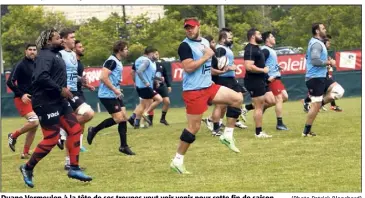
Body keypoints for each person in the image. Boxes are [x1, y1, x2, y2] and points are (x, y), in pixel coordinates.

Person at [19, 29, 92, 188]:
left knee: (74, 130)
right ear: (48, 41)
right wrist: (60, 89)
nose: (61, 41)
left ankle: (74, 168)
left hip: (59, 100)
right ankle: (27, 167)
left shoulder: (56, 55)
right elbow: (41, 77)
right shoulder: (45, 56)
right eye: (58, 38)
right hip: (45, 103)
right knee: (51, 139)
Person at [170, 18, 243, 174]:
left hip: (208, 86)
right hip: (194, 91)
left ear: (198, 27)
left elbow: (208, 68)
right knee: (193, 127)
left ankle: (227, 136)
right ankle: (177, 160)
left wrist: (224, 69)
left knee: (237, 98)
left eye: (192, 27)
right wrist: (206, 56)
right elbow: (189, 68)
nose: (189, 30)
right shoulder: (184, 46)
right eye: (187, 28)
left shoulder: (204, 42)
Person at [87, 40, 135, 155]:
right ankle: (94, 129)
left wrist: (117, 88)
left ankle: (124, 146)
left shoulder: (118, 61)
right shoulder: (111, 61)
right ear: (119, 50)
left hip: (114, 94)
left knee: (123, 117)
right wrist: (114, 89)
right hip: (107, 95)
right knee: (119, 118)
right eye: (126, 49)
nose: (127, 51)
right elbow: (103, 77)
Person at [58, 29, 95, 170]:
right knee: (87, 114)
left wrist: (82, 80)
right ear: (64, 40)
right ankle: (61, 131)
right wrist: (61, 87)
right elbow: (56, 72)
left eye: (74, 37)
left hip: (74, 91)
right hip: (64, 92)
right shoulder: (59, 54)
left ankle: (68, 160)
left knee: (78, 123)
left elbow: (71, 74)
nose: (74, 40)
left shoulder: (73, 54)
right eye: (72, 37)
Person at [202, 29, 248, 136]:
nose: (231, 40)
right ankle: (215, 126)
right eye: (229, 38)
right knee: (221, 105)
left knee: (238, 97)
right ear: (223, 39)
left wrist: (231, 67)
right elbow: (218, 65)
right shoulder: (220, 50)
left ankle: (219, 121)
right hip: (223, 79)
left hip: (229, 79)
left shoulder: (225, 49)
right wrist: (230, 67)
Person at [302, 23, 342, 137]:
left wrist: (327, 61)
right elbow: (315, 61)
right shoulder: (316, 44)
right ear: (317, 31)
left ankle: (316, 105)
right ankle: (306, 132)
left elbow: (310, 58)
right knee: (315, 105)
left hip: (322, 76)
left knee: (339, 91)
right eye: (323, 28)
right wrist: (329, 62)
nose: (325, 30)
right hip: (315, 78)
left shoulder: (318, 43)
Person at [6, 43, 39, 159]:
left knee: (34, 126)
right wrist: (22, 94)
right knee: (34, 121)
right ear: (25, 51)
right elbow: (10, 82)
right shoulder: (20, 64)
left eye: (34, 50)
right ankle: (13, 135)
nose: (32, 52)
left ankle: (25, 152)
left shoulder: (37, 63)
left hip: (34, 98)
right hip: (22, 99)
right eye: (30, 49)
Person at [243, 28, 276, 138]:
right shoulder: (250, 49)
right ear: (252, 36)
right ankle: (258, 132)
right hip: (253, 81)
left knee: (271, 100)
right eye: (258, 34)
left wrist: (266, 76)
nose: (261, 35)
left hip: (261, 80)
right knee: (259, 106)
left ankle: (246, 108)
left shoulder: (257, 48)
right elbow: (248, 66)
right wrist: (263, 70)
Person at [127, 47, 163, 129]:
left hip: (140, 86)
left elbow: (134, 72)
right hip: (145, 86)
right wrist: (145, 82)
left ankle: (135, 121)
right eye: (155, 54)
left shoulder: (138, 60)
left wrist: (158, 79)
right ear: (150, 53)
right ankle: (145, 114)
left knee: (142, 104)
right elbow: (139, 71)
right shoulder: (147, 61)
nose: (157, 56)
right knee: (159, 99)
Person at [261, 31, 289, 130]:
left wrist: (277, 67)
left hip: (276, 77)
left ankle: (261, 107)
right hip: (272, 78)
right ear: (267, 39)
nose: (274, 38)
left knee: (285, 97)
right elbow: (260, 64)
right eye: (272, 37)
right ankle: (279, 124)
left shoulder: (270, 50)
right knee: (279, 99)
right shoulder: (265, 50)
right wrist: (267, 77)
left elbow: (269, 63)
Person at [147, 51, 172, 126]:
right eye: (155, 54)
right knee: (151, 103)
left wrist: (168, 85)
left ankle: (163, 119)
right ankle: (150, 121)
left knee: (167, 101)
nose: (157, 55)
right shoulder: (149, 65)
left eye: (158, 54)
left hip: (161, 86)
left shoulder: (161, 64)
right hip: (152, 86)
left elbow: (166, 75)